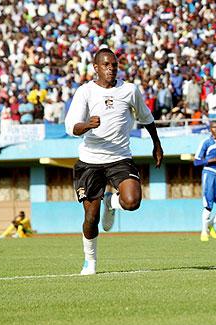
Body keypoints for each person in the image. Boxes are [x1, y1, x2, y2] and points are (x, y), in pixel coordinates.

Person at [64, 48, 163, 275]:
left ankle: (111, 202)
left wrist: (156, 144)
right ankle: (90, 261)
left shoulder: (129, 90)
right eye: (106, 65)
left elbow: (146, 118)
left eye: (114, 65)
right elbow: (71, 127)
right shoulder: (85, 92)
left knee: (132, 201)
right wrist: (87, 125)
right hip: (89, 161)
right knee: (91, 217)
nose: (111, 68)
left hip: (120, 158)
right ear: (96, 67)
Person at [193, 121, 216, 242]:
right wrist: (213, 159)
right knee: (208, 206)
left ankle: (209, 224)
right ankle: (204, 232)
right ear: (210, 129)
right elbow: (196, 161)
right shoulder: (206, 142)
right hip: (209, 173)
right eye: (215, 127)